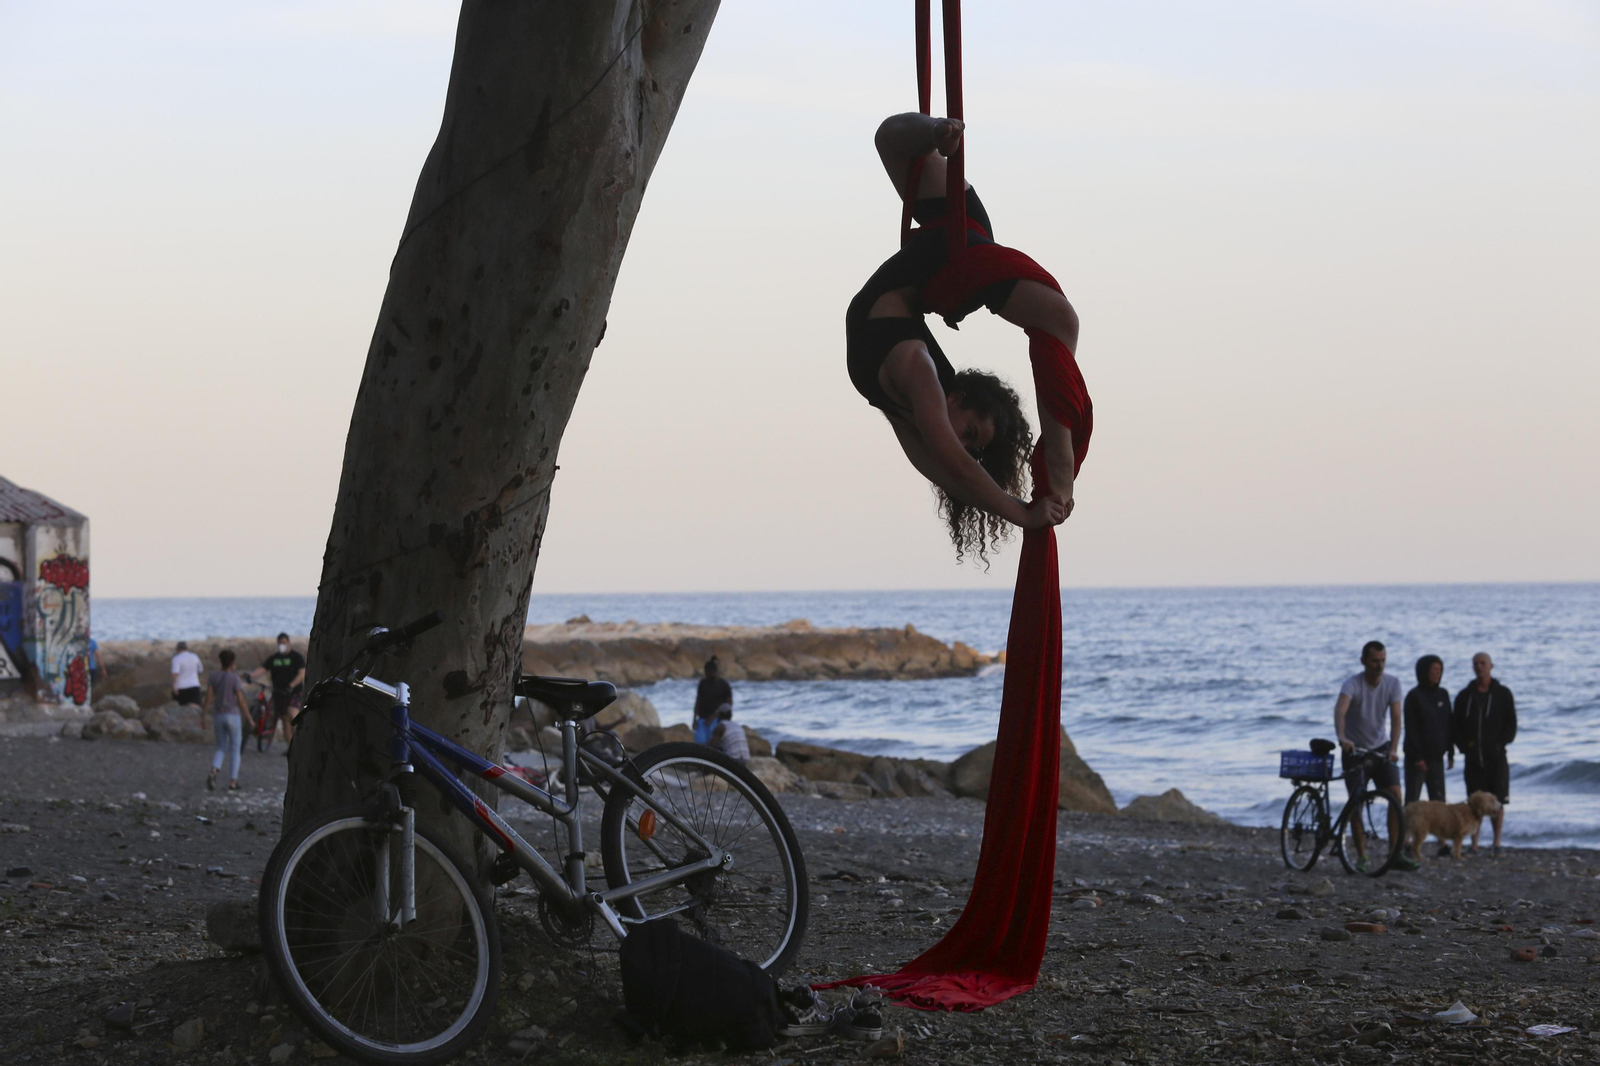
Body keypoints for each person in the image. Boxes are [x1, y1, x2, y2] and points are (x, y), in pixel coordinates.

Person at [846, 114, 1081, 561]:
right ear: (956, 398)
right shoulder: (920, 373)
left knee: (1061, 321)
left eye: (971, 442)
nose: (966, 445)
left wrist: (1025, 513)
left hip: (941, 261)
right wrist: (1024, 513)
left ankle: (935, 134)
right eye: (973, 433)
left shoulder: (912, 390)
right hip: (953, 252)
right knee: (1060, 321)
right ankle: (1061, 465)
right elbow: (954, 463)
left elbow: (952, 473)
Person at [1333, 640, 1418, 871]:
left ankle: (1394, 853)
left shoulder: (1392, 683)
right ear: (1363, 661)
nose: (1379, 665)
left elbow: (1397, 718)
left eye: (1383, 660)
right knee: (1356, 800)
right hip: (1354, 749)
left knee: (1395, 795)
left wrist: (1393, 748)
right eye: (1374, 661)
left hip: (1381, 747)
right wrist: (1342, 738)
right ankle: (1361, 857)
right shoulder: (1353, 684)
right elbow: (1340, 710)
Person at [1452, 651, 1515, 855]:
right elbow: (1456, 726)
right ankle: (1474, 844)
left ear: (1491, 666)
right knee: (1474, 803)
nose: (1479, 667)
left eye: (1483, 663)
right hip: (1473, 758)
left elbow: (1511, 724)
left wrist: (1500, 744)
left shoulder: (1503, 694)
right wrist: (1464, 747)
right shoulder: (1465, 696)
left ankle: (1496, 843)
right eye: (1476, 664)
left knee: (1499, 801)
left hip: (1496, 757)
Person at [1403, 654, 1454, 804]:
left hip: (1437, 758)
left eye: (1439, 670)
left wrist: (1450, 752)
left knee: (1439, 804)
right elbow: (1411, 728)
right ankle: (1406, 828)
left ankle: (1436, 829)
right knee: (1412, 802)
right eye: (1434, 670)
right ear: (1424, 672)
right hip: (1417, 760)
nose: (1437, 674)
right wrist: (1418, 757)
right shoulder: (1414, 696)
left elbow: (1449, 724)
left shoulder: (1443, 694)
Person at [202, 649, 252, 791]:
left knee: (221, 747)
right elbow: (241, 700)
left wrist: (203, 715)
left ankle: (214, 770)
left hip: (218, 715)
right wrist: (249, 718)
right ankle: (232, 782)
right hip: (233, 716)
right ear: (232, 662)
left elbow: (209, 697)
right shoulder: (235, 678)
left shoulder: (213, 676)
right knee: (235, 749)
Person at [250, 633, 306, 749]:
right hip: (279, 693)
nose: (281, 645)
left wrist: (291, 685)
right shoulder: (274, 658)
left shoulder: (296, 657)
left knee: (292, 713)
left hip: (294, 691)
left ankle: (303, 738)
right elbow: (262, 669)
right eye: (279, 643)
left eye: (283, 643)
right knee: (285, 720)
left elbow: (302, 673)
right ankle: (292, 748)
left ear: (289, 643)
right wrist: (251, 676)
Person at [693, 657, 733, 747]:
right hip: (702, 719)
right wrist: (694, 719)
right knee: (700, 744)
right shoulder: (703, 683)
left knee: (714, 744)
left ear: (713, 671)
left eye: (707, 672)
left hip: (717, 720)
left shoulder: (724, 685)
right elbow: (698, 701)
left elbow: (728, 705)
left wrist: (714, 715)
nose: (706, 674)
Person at [171, 641, 203, 706]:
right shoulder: (195, 656)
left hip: (181, 687)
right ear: (186, 648)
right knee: (195, 707)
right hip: (194, 685)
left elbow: (175, 674)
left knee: (183, 708)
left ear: (178, 649)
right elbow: (200, 670)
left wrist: (174, 687)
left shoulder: (176, 659)